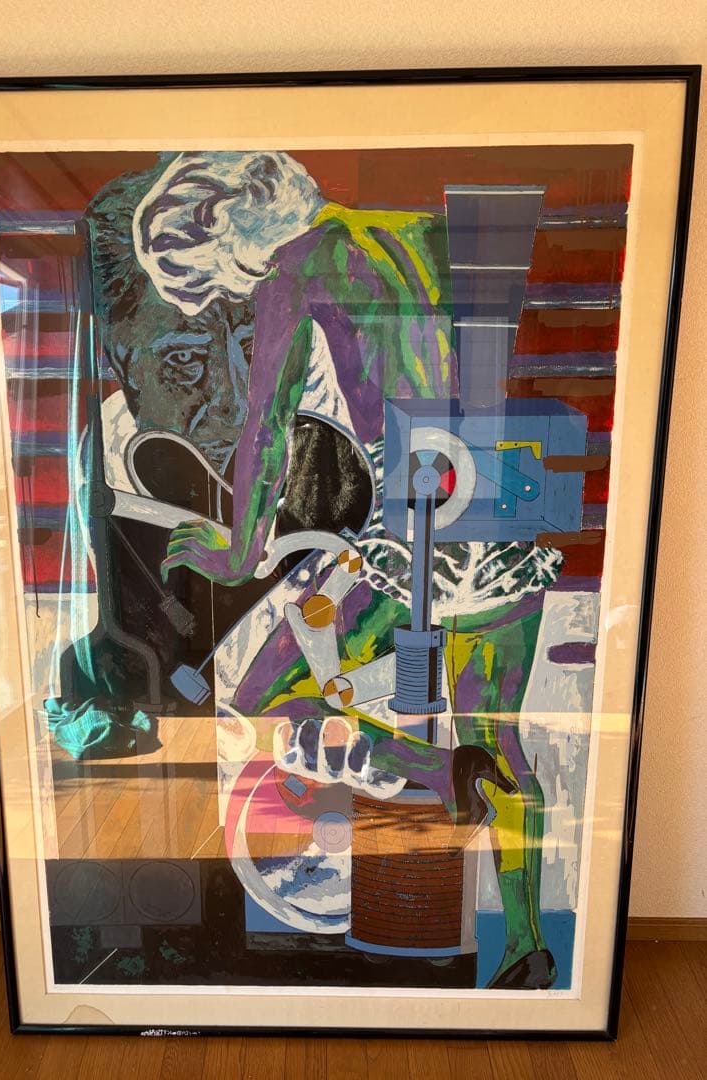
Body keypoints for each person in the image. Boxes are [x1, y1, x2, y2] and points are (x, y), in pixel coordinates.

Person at [105, 152, 562, 988]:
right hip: (503, 502)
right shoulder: (426, 232)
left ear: (225, 229)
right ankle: (528, 945)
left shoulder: (298, 266)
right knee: (500, 735)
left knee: (262, 700)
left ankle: (436, 769)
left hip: (417, 530)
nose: (228, 290)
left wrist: (238, 553)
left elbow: (267, 428)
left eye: (208, 274)